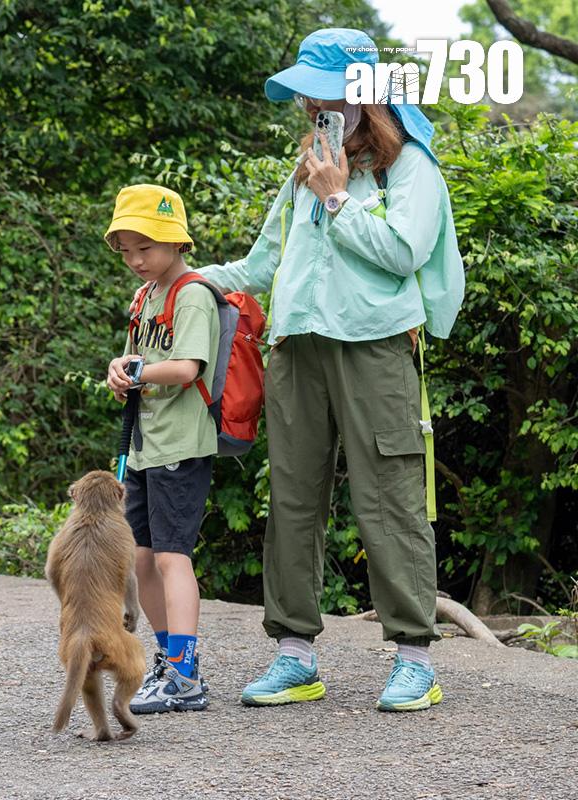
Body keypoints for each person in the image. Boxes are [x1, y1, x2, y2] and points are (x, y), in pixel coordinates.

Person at [197, 28, 465, 712]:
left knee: (390, 496)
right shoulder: (306, 171)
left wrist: (340, 198)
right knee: (291, 500)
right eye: (308, 91)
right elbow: (259, 266)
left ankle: (413, 659)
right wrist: (183, 279)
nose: (313, 101)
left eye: (326, 89)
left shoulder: (412, 171)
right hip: (297, 347)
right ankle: (294, 656)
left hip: (374, 346)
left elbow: (404, 252)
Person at [104, 184, 218, 713]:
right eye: (126, 250)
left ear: (174, 240)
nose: (135, 260)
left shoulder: (192, 293)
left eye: (144, 247)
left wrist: (137, 371)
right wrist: (119, 370)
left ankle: (185, 674)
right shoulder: (145, 296)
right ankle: (169, 660)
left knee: (173, 556)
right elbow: (136, 358)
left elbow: (187, 368)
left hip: (181, 445)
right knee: (143, 558)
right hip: (146, 447)